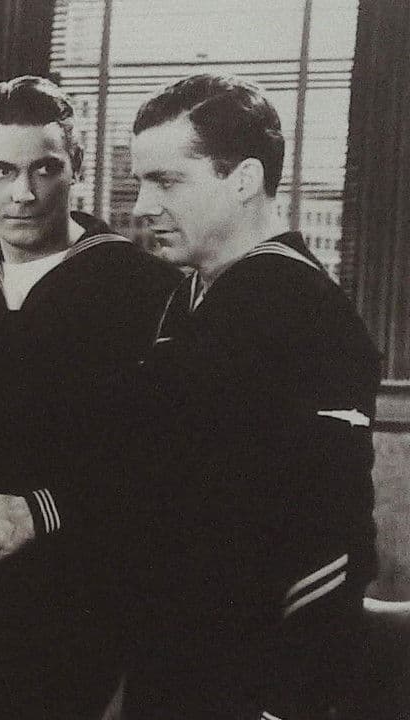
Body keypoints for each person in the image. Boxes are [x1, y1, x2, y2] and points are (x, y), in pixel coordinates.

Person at [0, 75, 180, 720]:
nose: (23, 193)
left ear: (76, 166)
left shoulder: (145, 290)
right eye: (1, 170)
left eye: (44, 168)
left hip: (83, 614)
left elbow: (164, 460)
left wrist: (39, 511)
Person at [123, 73, 379, 719]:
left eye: (166, 181)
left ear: (243, 180)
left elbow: (331, 542)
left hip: (251, 683)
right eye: (140, 182)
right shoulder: (186, 300)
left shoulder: (307, 313)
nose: (142, 206)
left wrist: (287, 706)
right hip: (168, 662)